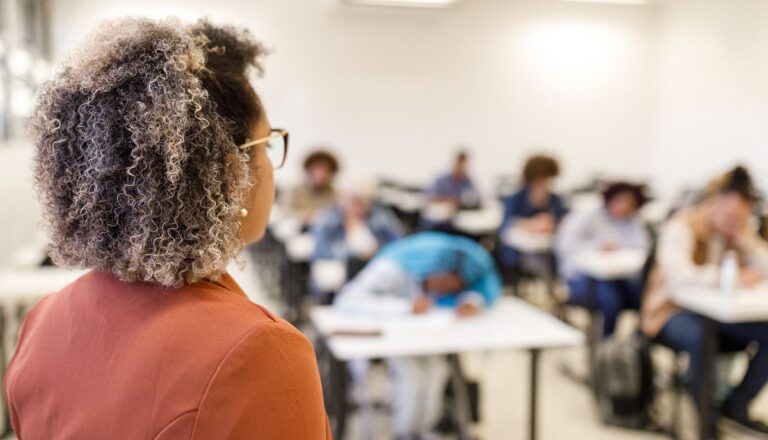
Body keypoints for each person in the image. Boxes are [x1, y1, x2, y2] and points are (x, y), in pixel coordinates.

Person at [4, 18, 330, 439]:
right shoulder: (257, 351)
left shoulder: (42, 323)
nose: (271, 165)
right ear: (230, 169)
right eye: (267, 144)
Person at [335, 232, 502, 440]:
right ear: (438, 268)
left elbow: (485, 286)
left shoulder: (442, 276)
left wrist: (472, 300)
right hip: (391, 337)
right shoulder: (392, 268)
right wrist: (404, 308)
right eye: (449, 284)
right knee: (413, 376)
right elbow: (347, 300)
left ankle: (424, 430)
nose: (447, 292)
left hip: (422, 337)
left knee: (436, 371)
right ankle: (404, 433)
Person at [642, 166, 768, 436]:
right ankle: (706, 418)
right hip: (669, 312)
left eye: (741, 218)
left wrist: (746, 242)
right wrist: (731, 278)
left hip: (717, 314)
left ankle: (737, 405)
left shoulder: (737, 232)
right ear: (714, 203)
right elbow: (679, 278)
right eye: (731, 216)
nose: (736, 223)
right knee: (701, 336)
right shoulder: (681, 226)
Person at [556, 182, 651, 337]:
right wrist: (596, 247)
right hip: (582, 276)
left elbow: (642, 246)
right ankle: (605, 345)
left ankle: (635, 345)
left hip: (619, 275)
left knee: (642, 296)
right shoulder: (588, 214)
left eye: (630, 204)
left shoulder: (633, 220)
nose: (624, 207)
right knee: (610, 302)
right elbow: (566, 243)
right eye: (621, 201)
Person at [311, 176, 404, 280]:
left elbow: (399, 244)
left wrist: (378, 251)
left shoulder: (380, 216)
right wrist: (354, 253)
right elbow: (320, 251)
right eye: (355, 202)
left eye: (366, 202)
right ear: (342, 199)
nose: (360, 207)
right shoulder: (328, 219)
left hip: (375, 269)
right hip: (340, 273)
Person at [498, 154, 567, 279]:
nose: (547, 183)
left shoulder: (555, 199)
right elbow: (504, 228)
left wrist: (552, 224)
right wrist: (527, 224)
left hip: (548, 247)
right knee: (534, 261)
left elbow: (563, 221)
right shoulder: (515, 198)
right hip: (521, 251)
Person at [421, 150, 482, 230]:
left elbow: (476, 199)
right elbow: (429, 197)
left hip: (457, 224)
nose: (461, 167)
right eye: (459, 163)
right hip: (435, 222)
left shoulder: (468, 182)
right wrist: (450, 201)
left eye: (464, 164)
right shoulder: (441, 180)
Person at [283, 149, 340, 223]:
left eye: (326, 170)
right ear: (309, 169)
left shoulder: (334, 194)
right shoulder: (295, 189)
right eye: (318, 168)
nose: (322, 174)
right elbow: (285, 213)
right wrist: (307, 215)